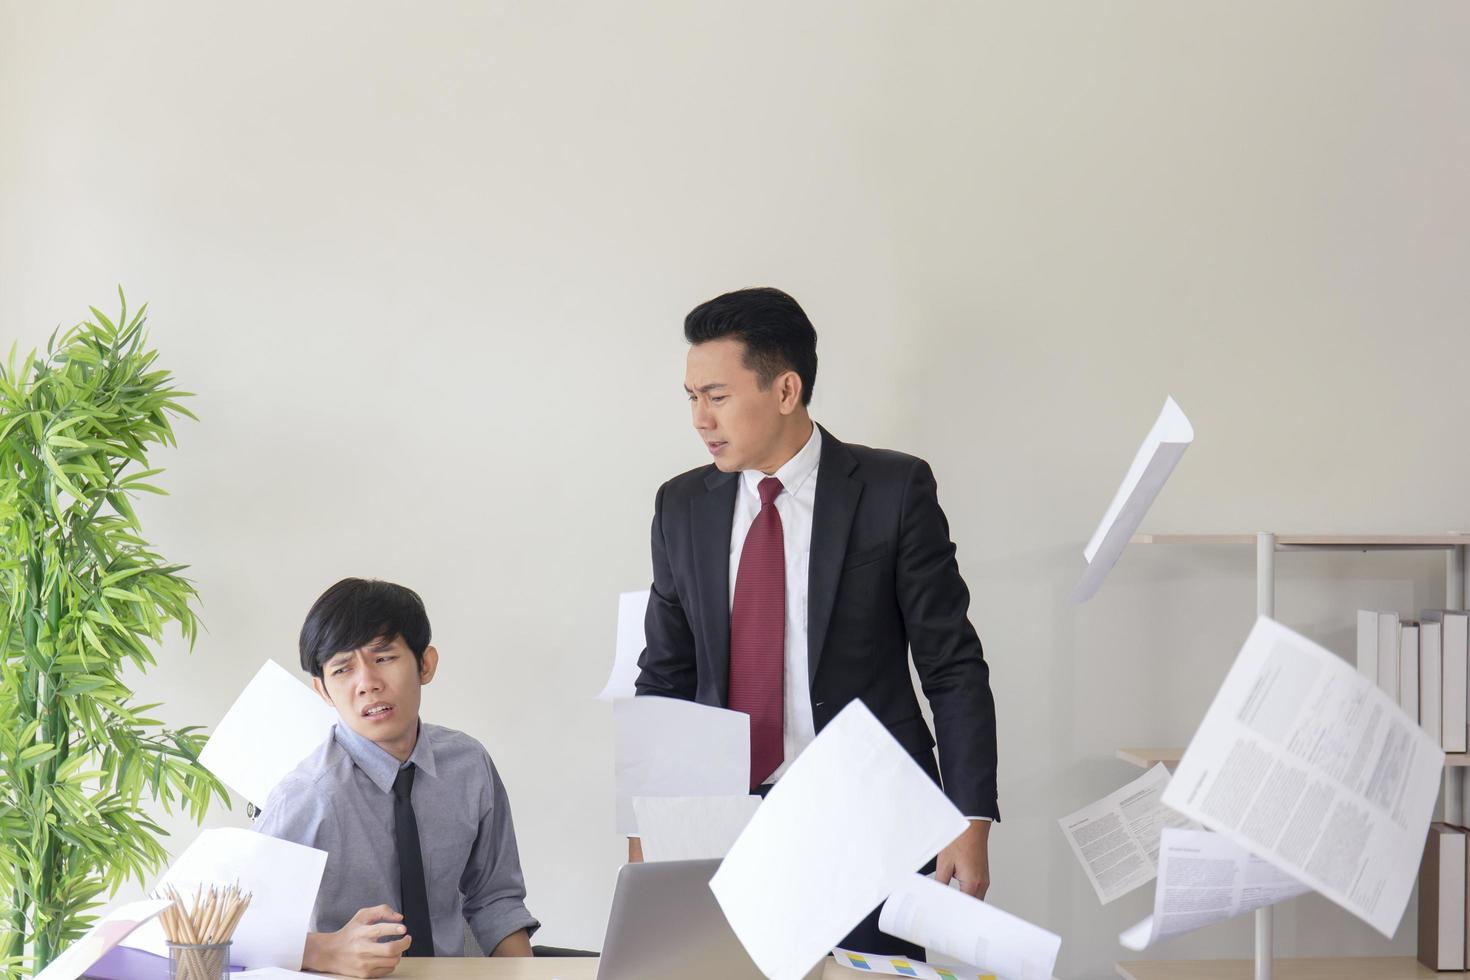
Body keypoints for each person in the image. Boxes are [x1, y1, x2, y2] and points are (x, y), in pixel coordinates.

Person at [634, 287, 999, 958]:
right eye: (690, 398)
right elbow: (664, 675)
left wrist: (968, 817)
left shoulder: (893, 490)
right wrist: (650, 816)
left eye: (715, 396)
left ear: (785, 390)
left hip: (871, 815)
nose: (699, 419)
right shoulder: (681, 504)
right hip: (728, 822)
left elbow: (950, 665)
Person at [257, 578, 537, 977]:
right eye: (343, 669)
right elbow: (225, 930)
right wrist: (325, 951)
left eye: (384, 658)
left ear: (425, 663)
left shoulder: (469, 765)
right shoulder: (307, 796)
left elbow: (495, 900)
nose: (367, 683)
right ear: (322, 690)